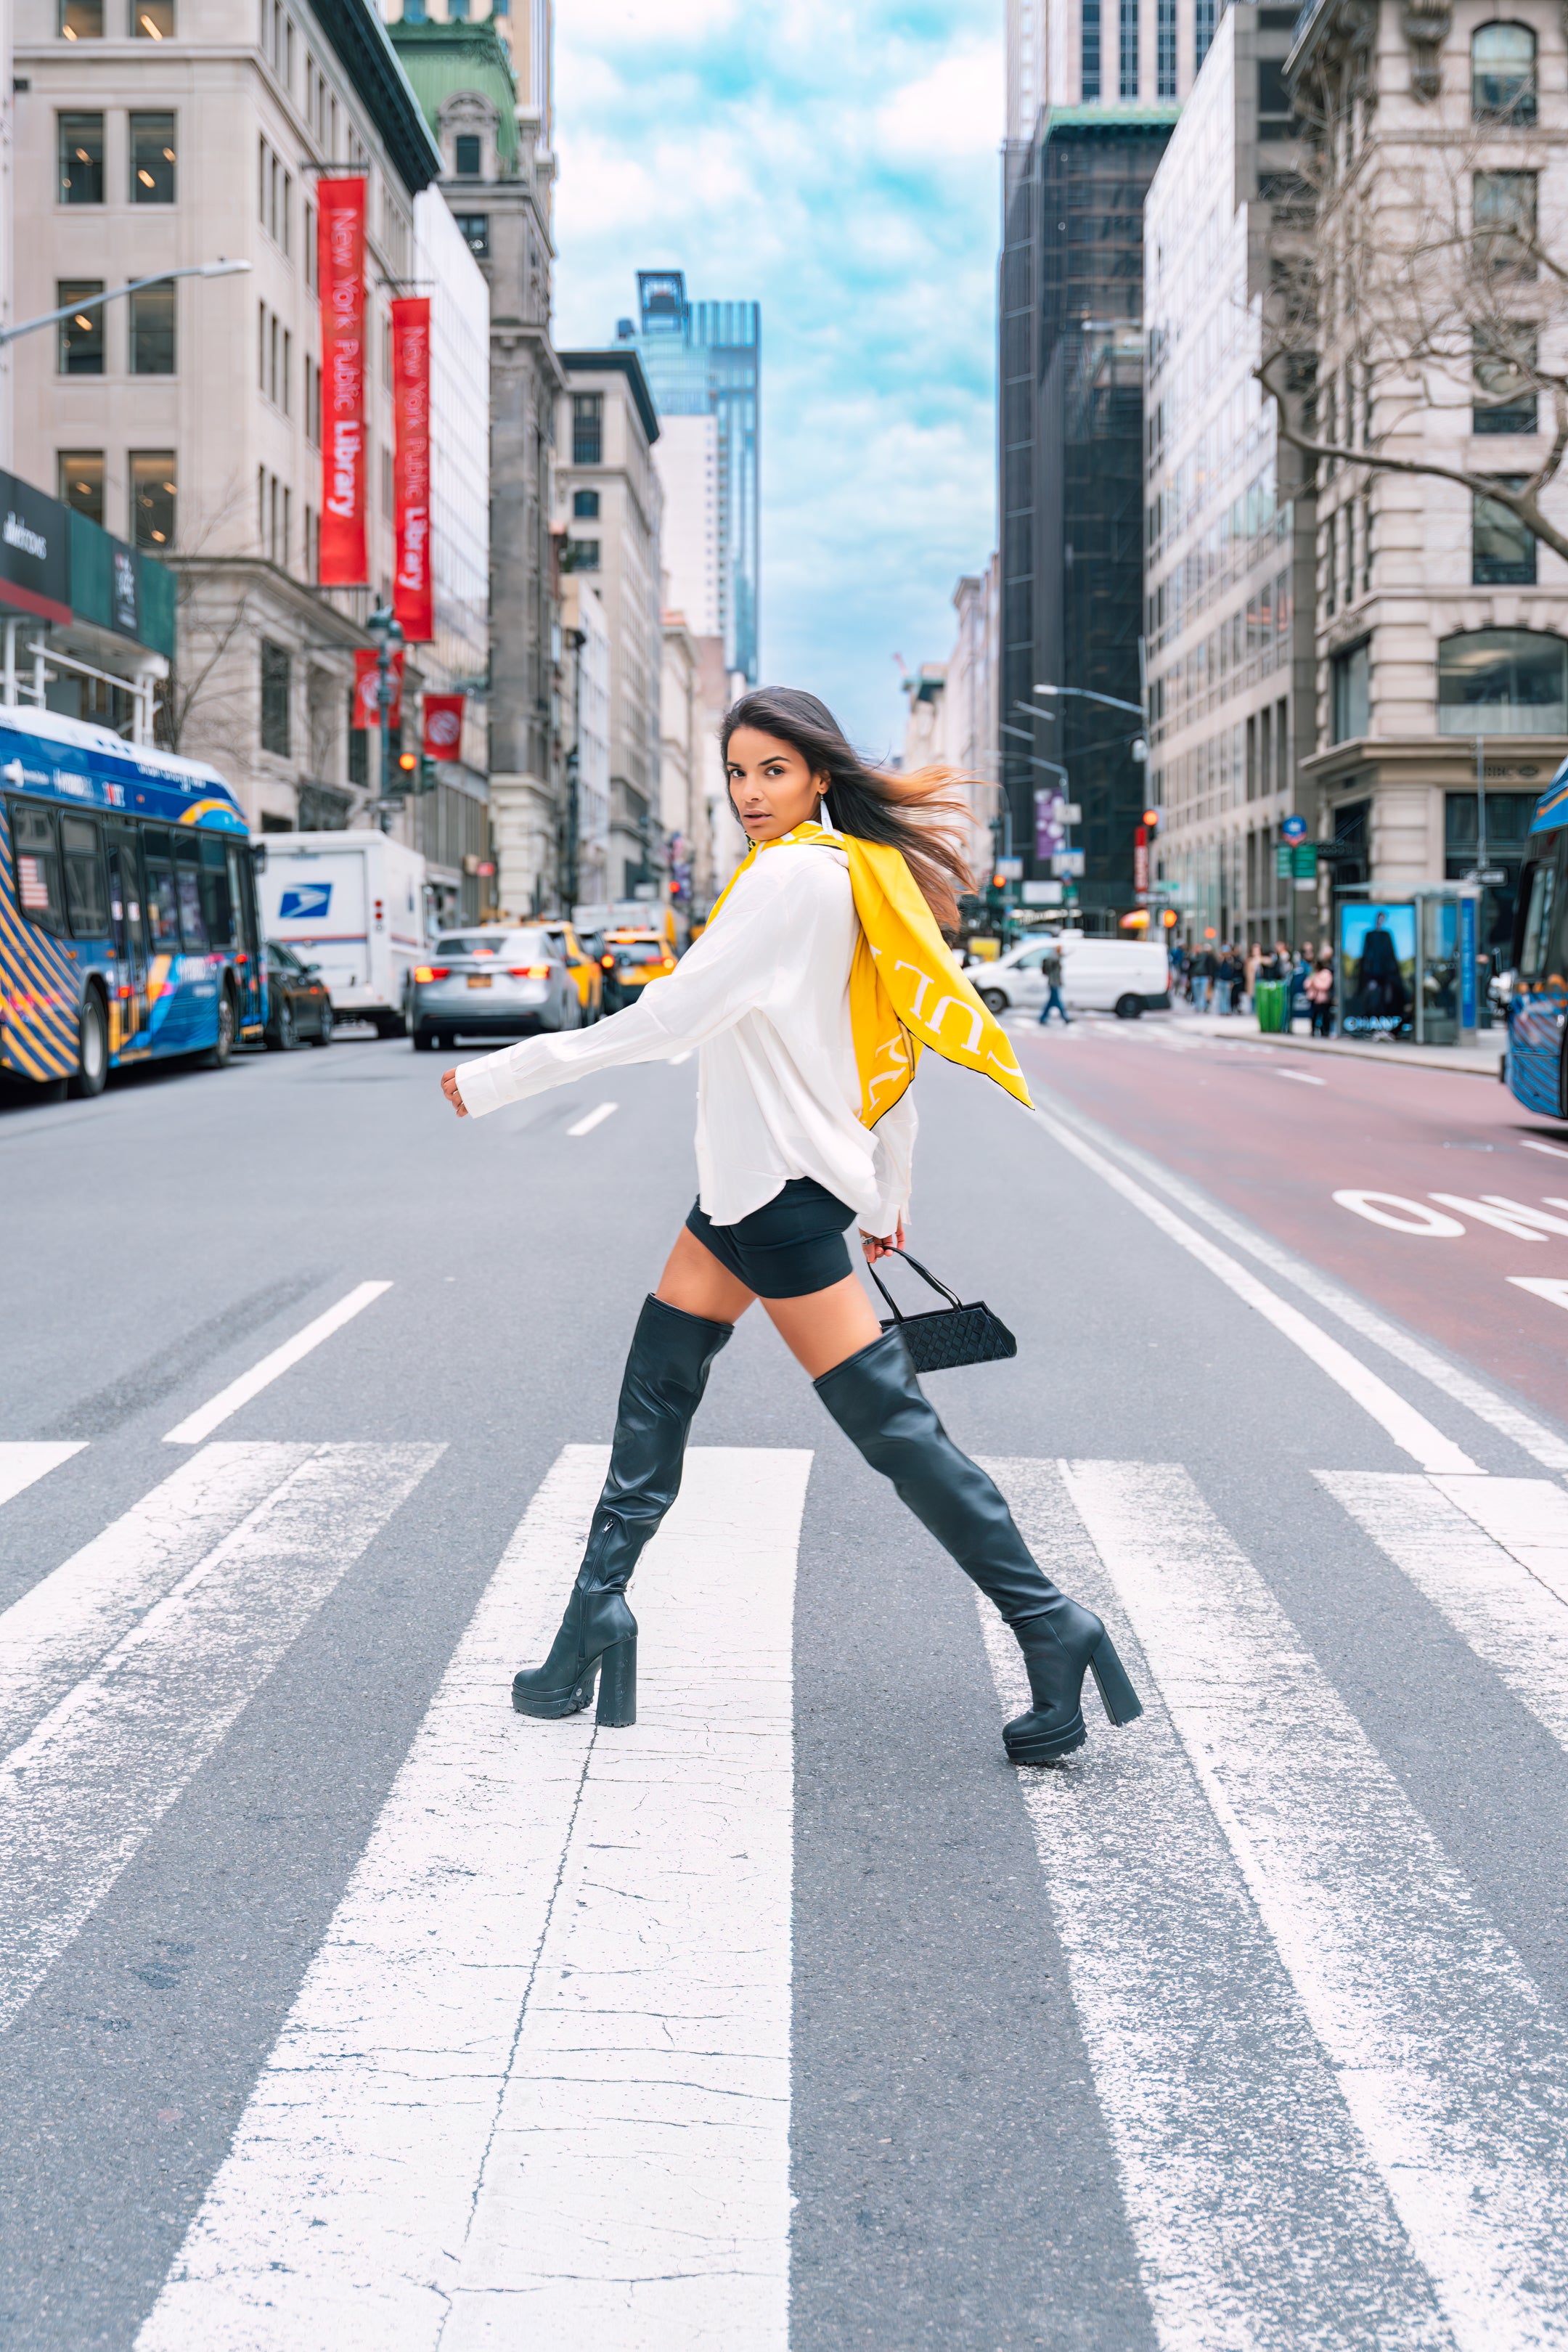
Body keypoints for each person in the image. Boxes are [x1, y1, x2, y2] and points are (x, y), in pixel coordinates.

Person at [439, 688, 1141, 1767]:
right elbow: (884, 1039)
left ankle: (1051, 1623)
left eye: (773, 770)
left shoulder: (789, 881)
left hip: (773, 1196)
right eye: (737, 772)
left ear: (818, 775)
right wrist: (888, 1189)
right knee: (657, 1388)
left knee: (893, 1429)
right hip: (747, 1189)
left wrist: (508, 1075)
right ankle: (591, 1622)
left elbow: (673, 1015)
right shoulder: (852, 874)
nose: (750, 793)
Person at [1037, 934, 1070, 1026]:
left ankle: (1043, 1018)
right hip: (1053, 983)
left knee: (1051, 1002)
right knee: (1057, 1002)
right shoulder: (1054, 958)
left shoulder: (1055, 957)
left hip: (1055, 983)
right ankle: (1065, 1018)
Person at [1306, 952, 1335, 1036]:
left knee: (1325, 1015)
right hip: (1314, 998)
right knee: (1313, 1015)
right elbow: (1307, 984)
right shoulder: (1313, 973)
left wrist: (1316, 983)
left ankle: (1325, 1031)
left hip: (1323, 999)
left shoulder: (1326, 973)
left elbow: (1326, 985)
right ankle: (1313, 1030)